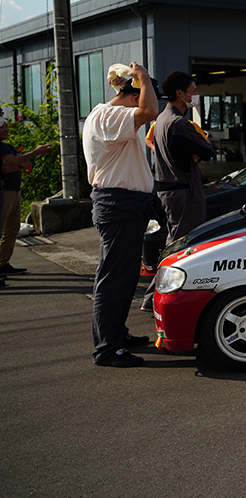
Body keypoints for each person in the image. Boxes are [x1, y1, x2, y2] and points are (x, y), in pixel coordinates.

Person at [83, 63, 160, 368]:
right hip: (119, 205)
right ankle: (107, 348)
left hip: (126, 204)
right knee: (114, 279)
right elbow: (150, 111)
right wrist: (142, 77)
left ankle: (115, 335)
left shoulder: (110, 117)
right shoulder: (107, 115)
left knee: (122, 277)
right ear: (133, 97)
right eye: (142, 95)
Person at [145, 71, 214, 310]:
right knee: (182, 246)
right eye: (193, 92)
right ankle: (155, 298)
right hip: (184, 191)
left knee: (174, 242)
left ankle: (151, 297)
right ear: (180, 93)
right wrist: (198, 150)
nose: (195, 96)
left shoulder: (161, 120)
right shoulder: (179, 123)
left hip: (168, 189)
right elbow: (207, 149)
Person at [0, 117, 53, 279]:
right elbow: (8, 167)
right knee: (3, 228)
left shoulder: (6, 146)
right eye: (3, 128)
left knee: (12, 228)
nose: (7, 130)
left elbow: (26, 163)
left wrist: (17, 162)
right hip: (5, 191)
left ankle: (3, 262)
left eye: (7, 127)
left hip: (16, 190)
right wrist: (34, 153)